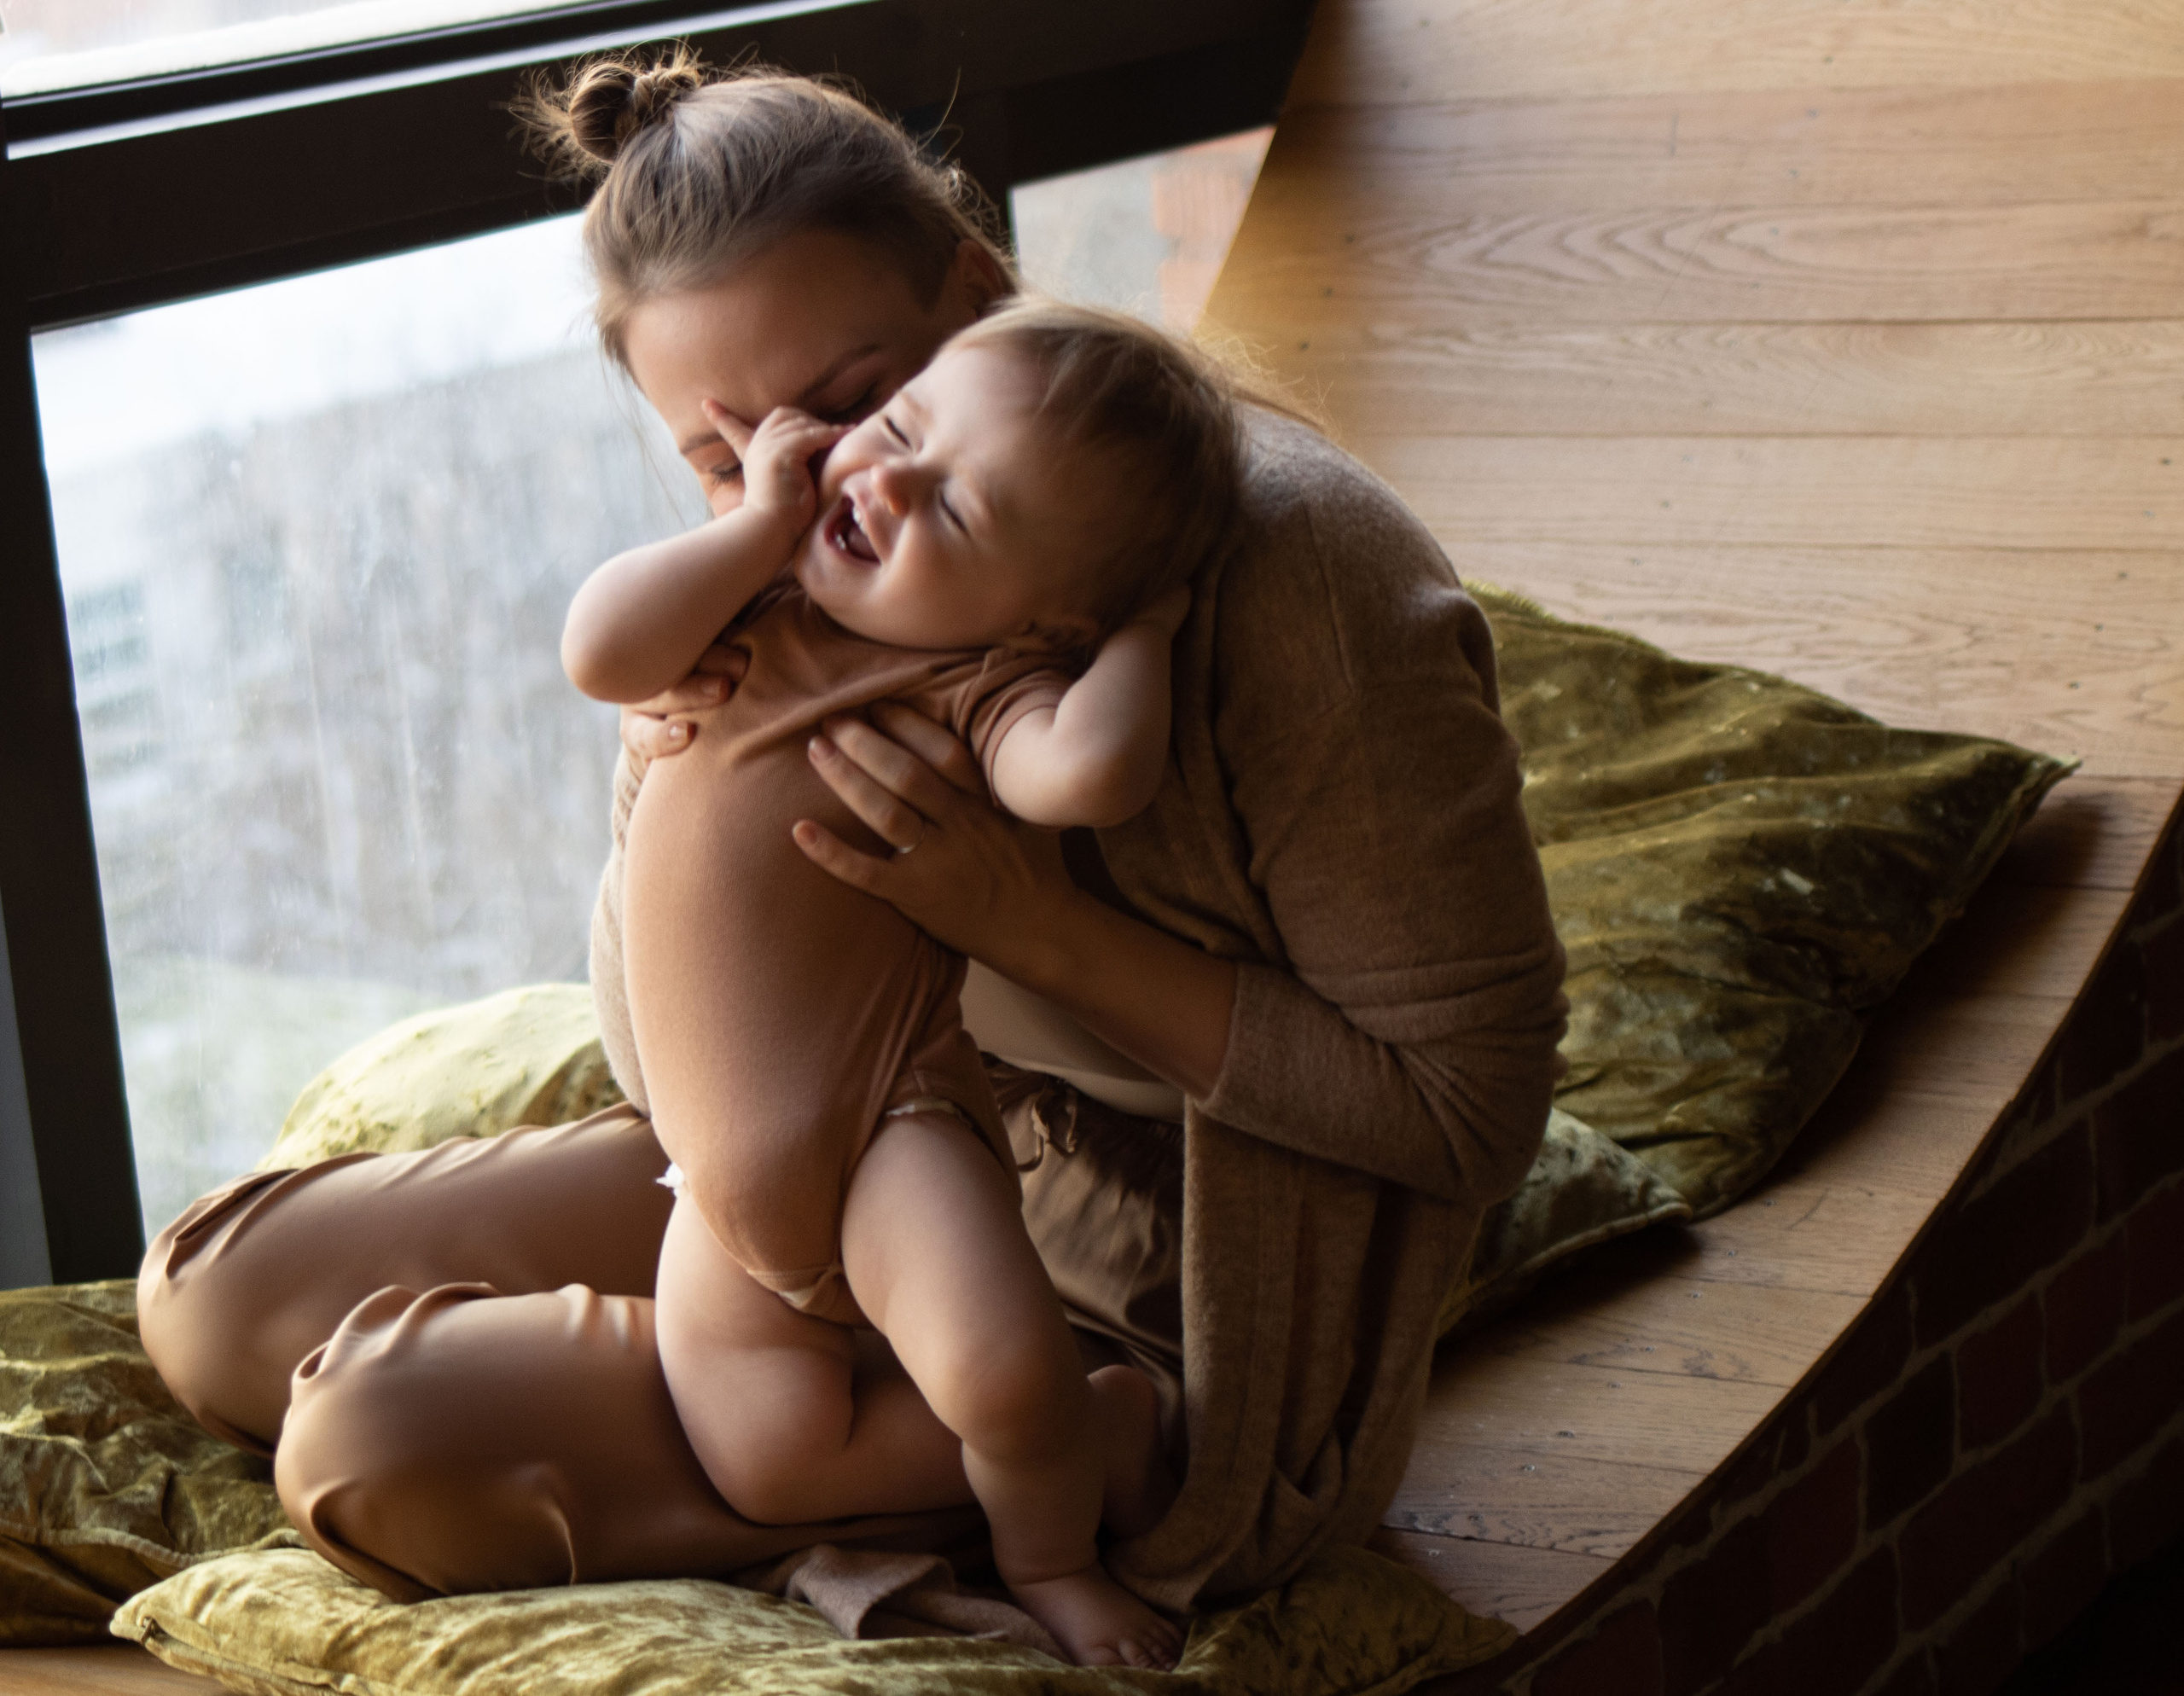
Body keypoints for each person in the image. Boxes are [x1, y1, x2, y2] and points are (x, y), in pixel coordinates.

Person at [136, 50, 1565, 1629]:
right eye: (722, 449)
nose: (811, 477)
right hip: (806, 1156)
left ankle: (1021, 1482)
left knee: (371, 1440)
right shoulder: (785, 565)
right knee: (218, 1298)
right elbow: (658, 1060)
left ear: (973, 288)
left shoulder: (1287, 576)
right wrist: (663, 777)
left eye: (847, 402)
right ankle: (809, 1443)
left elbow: (1467, 1114)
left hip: (1136, 1282)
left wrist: (1031, 922)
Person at [562, 302, 1249, 1665]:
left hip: (892, 1129)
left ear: (1044, 615)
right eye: (896, 429)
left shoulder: (979, 680)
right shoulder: (742, 604)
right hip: (714, 1184)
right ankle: (1095, 1437)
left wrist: (1143, 636)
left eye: (959, 512)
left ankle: (1048, 1549)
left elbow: (1090, 775)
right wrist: (753, 527)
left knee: (999, 1370)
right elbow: (598, 650)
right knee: (766, 1459)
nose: (884, 482)